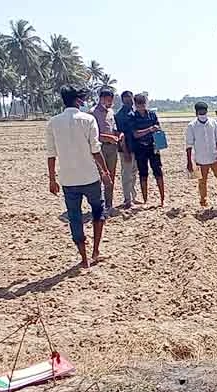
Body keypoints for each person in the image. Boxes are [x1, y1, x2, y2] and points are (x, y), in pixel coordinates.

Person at [45, 85, 112, 268]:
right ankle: (96, 251)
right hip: (90, 177)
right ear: (78, 100)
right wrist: (105, 172)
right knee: (99, 212)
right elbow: (95, 150)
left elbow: (51, 154)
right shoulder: (88, 119)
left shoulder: (53, 122)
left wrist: (52, 179)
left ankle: (83, 258)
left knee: (75, 218)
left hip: (68, 180)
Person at [186, 102, 217, 207]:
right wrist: (189, 162)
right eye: (200, 111)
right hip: (200, 160)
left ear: (207, 111)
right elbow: (189, 145)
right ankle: (203, 201)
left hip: (215, 158)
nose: (202, 113)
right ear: (196, 112)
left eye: (204, 111)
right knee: (202, 182)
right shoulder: (191, 126)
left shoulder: (213, 123)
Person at [131, 94, 165, 206]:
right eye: (139, 104)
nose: (141, 106)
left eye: (143, 103)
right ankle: (145, 200)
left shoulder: (152, 115)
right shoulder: (133, 117)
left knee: (158, 172)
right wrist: (150, 129)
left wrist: (157, 133)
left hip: (153, 147)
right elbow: (135, 134)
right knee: (143, 174)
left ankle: (162, 199)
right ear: (135, 105)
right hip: (140, 148)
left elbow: (158, 128)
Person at [90, 88, 119, 213]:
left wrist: (118, 135)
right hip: (99, 148)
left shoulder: (111, 112)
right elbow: (92, 135)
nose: (110, 103)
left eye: (111, 101)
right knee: (100, 176)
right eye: (108, 100)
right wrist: (107, 137)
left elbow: (114, 128)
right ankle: (99, 205)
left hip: (112, 147)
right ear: (101, 99)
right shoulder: (92, 113)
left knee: (111, 176)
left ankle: (109, 204)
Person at [114, 90, 138, 209]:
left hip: (136, 149)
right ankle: (127, 199)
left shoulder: (134, 112)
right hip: (126, 149)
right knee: (126, 174)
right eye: (126, 98)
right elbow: (121, 135)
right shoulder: (120, 115)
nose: (129, 100)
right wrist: (126, 151)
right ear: (122, 100)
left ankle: (133, 196)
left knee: (133, 173)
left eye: (130, 97)